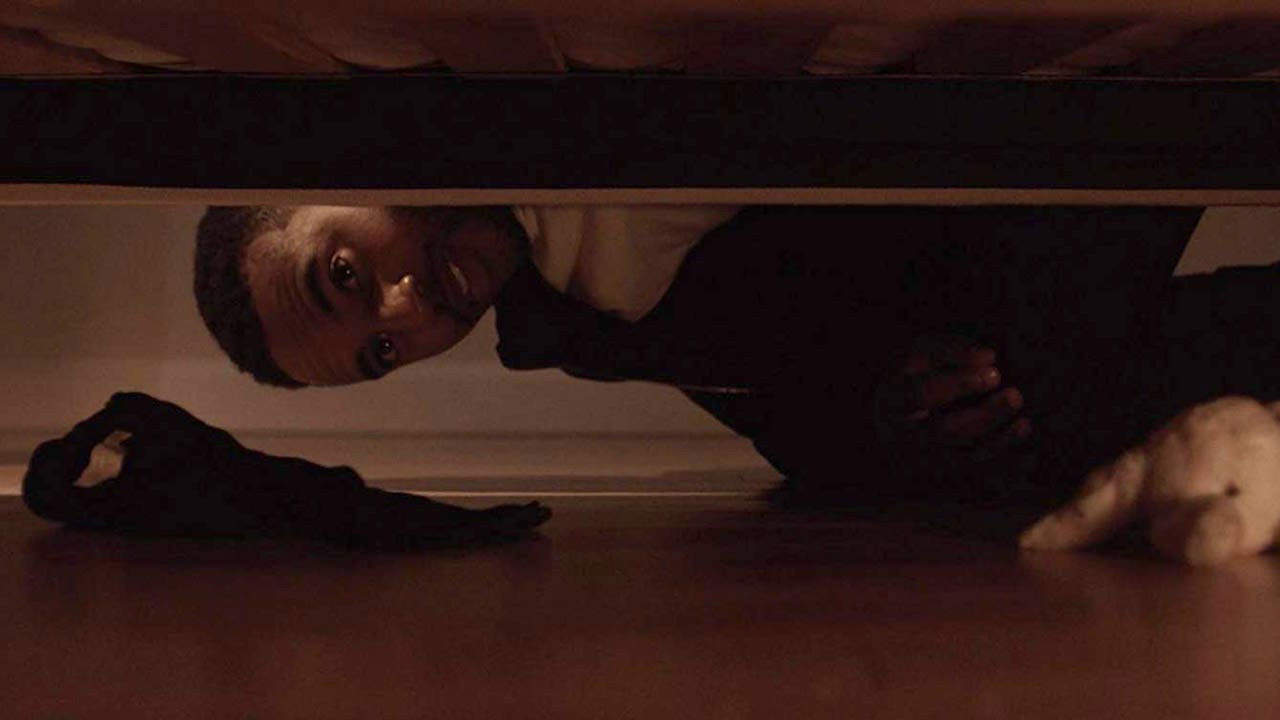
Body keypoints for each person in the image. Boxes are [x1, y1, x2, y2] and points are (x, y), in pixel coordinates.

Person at [196, 203, 1241, 507]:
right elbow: (785, 405)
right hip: (996, 295)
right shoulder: (572, 318)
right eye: (383, 352)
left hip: (1021, 223)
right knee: (1026, 424)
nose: (406, 309)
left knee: (1063, 401)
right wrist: (887, 414)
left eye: (343, 273)